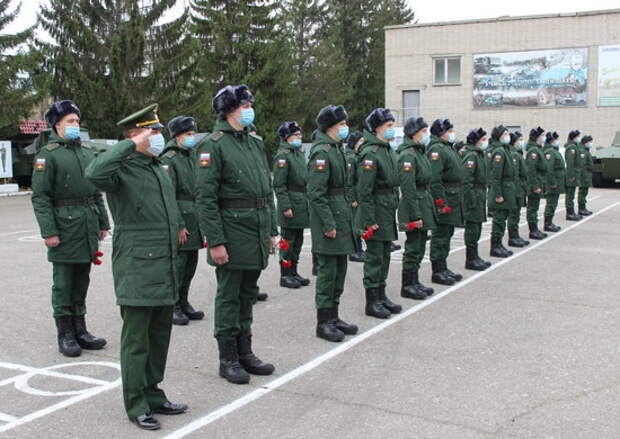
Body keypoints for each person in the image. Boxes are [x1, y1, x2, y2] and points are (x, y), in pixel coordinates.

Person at [85, 104, 188, 430]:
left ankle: (154, 394)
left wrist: (180, 226)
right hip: (138, 265)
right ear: (136, 134)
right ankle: (136, 403)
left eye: (159, 131)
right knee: (137, 341)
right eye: (153, 131)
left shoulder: (157, 167)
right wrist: (129, 144)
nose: (160, 137)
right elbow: (93, 174)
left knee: (159, 337)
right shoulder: (122, 168)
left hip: (165, 263)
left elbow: (170, 207)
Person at [195, 85, 277, 384]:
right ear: (229, 109)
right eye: (244, 105)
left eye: (250, 104)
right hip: (231, 230)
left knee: (247, 294)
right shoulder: (213, 145)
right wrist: (215, 241)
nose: (250, 109)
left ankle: (245, 352)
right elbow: (205, 198)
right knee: (229, 295)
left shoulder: (254, 142)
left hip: (255, 228)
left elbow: (266, 192)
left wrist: (271, 230)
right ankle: (227, 357)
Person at [31, 100, 110, 358]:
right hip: (64, 226)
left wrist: (102, 223)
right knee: (64, 283)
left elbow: (95, 190)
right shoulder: (49, 154)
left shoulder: (86, 152)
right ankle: (65, 333)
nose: (76, 125)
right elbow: (40, 197)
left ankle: (81, 329)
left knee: (81, 280)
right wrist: (49, 231)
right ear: (57, 125)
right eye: (70, 122)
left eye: (77, 121)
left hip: (87, 223)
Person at [307, 104, 358, 342]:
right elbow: (317, 194)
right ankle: (323, 322)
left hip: (341, 217)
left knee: (339, 271)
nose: (345, 128)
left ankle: (334, 316)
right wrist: (328, 224)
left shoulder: (336, 149)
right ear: (329, 127)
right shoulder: (322, 153)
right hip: (330, 222)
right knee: (328, 273)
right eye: (341, 125)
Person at [357, 108, 402, 318]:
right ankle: (372, 301)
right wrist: (369, 220)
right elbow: (364, 191)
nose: (392, 129)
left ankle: (381, 295)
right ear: (377, 128)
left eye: (393, 125)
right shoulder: (370, 153)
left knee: (384, 255)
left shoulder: (387, 150)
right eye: (389, 126)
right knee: (374, 256)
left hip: (387, 209)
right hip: (376, 209)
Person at [161, 116, 206, 325]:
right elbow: (168, 195)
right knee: (178, 266)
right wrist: (178, 225)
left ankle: (184, 301)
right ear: (177, 136)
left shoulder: (192, 156)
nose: (192, 138)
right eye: (188, 134)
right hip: (181, 216)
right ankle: (173, 306)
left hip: (195, 215)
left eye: (192, 133)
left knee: (190, 264)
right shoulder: (169, 158)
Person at [396, 116, 436, 300]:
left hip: (423, 201)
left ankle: (415, 281)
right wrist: (415, 215)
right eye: (423, 132)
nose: (426, 135)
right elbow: (408, 188)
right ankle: (407, 285)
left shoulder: (419, 152)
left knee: (420, 245)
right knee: (413, 247)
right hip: (414, 205)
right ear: (413, 134)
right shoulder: (407, 155)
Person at [272, 121, 310, 289]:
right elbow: (279, 184)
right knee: (288, 241)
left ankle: (294, 271)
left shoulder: (298, 154)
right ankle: (285, 274)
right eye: (295, 135)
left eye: (300, 135)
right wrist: (286, 206)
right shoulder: (283, 156)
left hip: (301, 201)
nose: (299, 138)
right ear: (287, 138)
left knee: (299, 240)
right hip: (291, 202)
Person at [427, 119, 464, 285]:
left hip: (453, 196)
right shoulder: (437, 149)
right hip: (445, 197)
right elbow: (435, 180)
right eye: (449, 131)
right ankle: (437, 271)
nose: (451, 133)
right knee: (440, 234)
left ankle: (444, 267)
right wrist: (440, 203)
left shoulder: (448, 148)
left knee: (447, 233)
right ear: (441, 132)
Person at [462, 128, 492, 269]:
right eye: (483, 139)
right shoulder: (472, 156)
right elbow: (466, 180)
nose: (485, 142)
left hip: (479, 195)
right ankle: (470, 259)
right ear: (476, 141)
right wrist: (472, 199)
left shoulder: (479, 155)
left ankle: (475, 256)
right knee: (472, 229)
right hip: (474, 196)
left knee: (477, 227)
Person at [488, 125, 517, 258]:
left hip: (507, 189)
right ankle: (495, 246)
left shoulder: (504, 150)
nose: (507, 136)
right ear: (499, 136)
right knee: (499, 219)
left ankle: (499, 245)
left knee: (502, 218)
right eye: (505, 133)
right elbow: (495, 175)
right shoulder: (499, 151)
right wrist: (498, 194)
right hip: (502, 190)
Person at [507, 131, 530, 247]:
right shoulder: (513, 154)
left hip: (519, 188)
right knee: (514, 214)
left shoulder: (517, 153)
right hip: (516, 189)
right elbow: (515, 174)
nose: (522, 142)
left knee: (516, 214)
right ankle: (513, 237)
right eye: (520, 140)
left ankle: (515, 236)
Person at [525, 127, 548, 240]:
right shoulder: (533, 151)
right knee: (532, 208)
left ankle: (535, 229)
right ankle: (533, 230)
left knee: (535, 207)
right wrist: (535, 186)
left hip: (538, 182)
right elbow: (531, 170)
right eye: (542, 135)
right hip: (535, 184)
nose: (544, 137)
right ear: (537, 137)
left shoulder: (538, 149)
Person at [345, 131, 365, 262]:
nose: (362, 144)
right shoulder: (351, 158)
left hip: (358, 196)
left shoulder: (357, 156)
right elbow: (349, 181)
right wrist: (352, 198)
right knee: (354, 225)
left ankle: (359, 250)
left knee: (357, 224)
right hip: (354, 198)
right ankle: (354, 251)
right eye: (360, 142)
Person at [542, 131, 565, 232]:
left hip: (557, 181)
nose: (558, 141)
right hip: (553, 183)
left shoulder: (553, 150)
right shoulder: (550, 152)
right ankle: (547, 224)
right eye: (556, 139)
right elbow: (549, 169)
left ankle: (550, 222)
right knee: (551, 203)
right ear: (551, 141)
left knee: (553, 203)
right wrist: (552, 183)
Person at [564, 130, 583, 221]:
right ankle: (570, 213)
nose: (579, 138)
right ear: (574, 137)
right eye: (578, 136)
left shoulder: (574, 146)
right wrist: (571, 176)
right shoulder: (571, 147)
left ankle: (572, 212)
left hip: (574, 175)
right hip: (571, 175)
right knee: (570, 195)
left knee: (571, 195)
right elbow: (570, 163)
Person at [578, 135, 594, 216]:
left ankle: (583, 208)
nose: (591, 143)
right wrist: (585, 177)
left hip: (587, 175)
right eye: (590, 142)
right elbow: (582, 166)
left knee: (584, 192)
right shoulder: (583, 152)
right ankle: (581, 209)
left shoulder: (586, 150)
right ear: (585, 143)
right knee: (582, 192)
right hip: (584, 176)